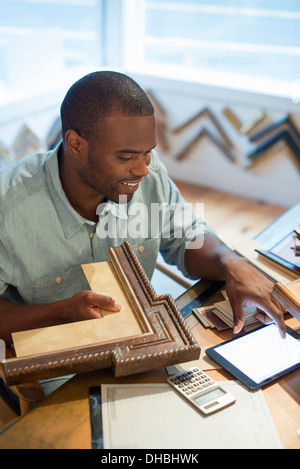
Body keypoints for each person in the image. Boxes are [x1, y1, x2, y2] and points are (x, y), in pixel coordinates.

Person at [0, 71, 286, 347]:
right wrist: (61, 312)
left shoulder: (147, 173)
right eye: (125, 157)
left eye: (148, 152)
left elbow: (186, 236)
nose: (142, 169)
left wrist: (230, 262)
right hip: (58, 372)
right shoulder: (8, 206)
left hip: (142, 350)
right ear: (76, 144)